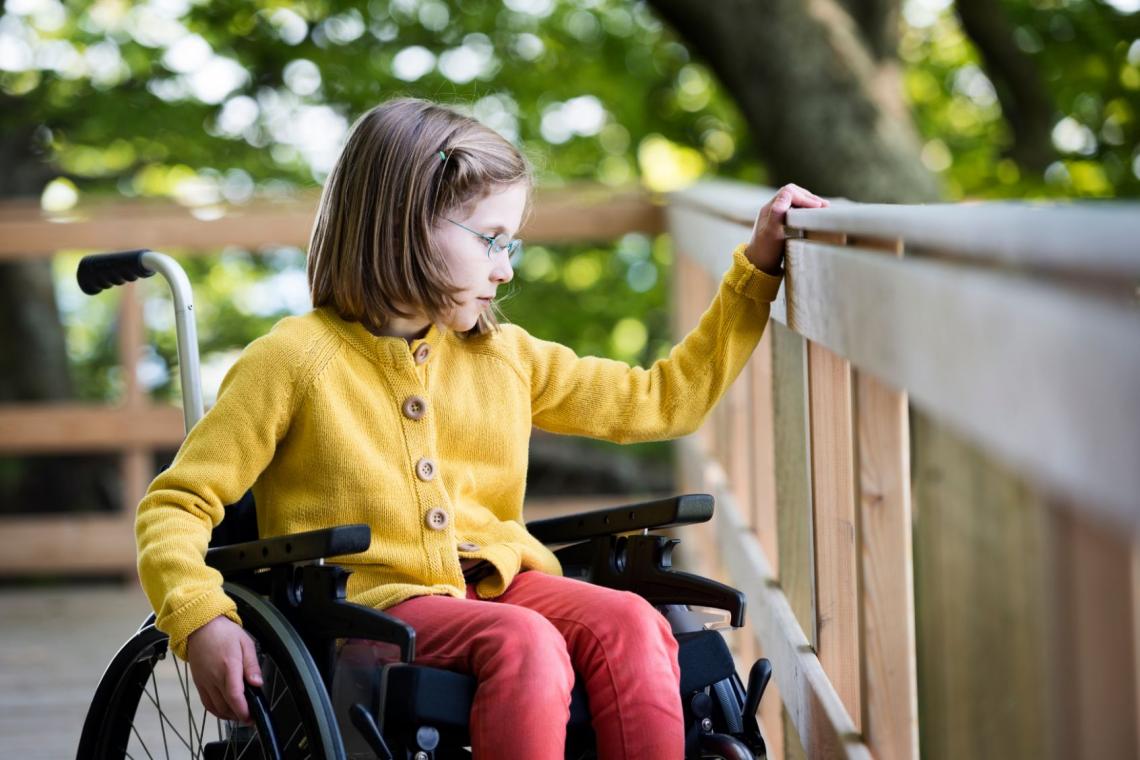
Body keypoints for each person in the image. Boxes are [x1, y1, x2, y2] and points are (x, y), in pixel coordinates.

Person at [135, 97, 827, 760]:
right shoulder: (293, 362)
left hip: (498, 584)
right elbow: (176, 506)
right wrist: (202, 620)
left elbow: (663, 401)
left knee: (634, 621)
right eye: (492, 241)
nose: (506, 268)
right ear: (405, 223)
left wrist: (756, 272)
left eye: (511, 243)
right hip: (367, 611)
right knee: (524, 642)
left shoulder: (504, 357)